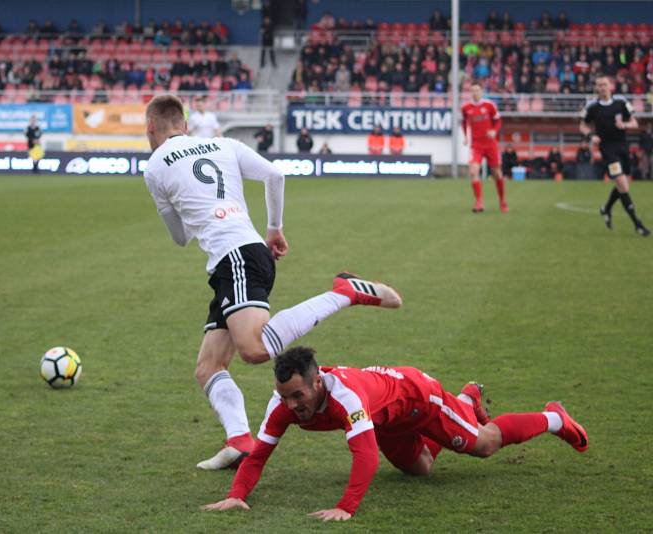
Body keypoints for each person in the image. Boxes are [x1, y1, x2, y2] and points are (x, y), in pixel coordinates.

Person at [143, 95, 403, 470]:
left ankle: (343, 293)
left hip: (235, 259)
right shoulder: (224, 144)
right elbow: (275, 175)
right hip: (242, 256)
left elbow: (180, 238)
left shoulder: (154, 167)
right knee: (209, 366)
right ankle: (239, 441)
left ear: (151, 128)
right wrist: (274, 228)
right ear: (185, 124)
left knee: (252, 348)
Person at [202, 346, 588, 521]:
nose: (291, 406)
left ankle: (553, 417)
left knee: (484, 444)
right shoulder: (281, 404)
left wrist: (345, 507)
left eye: (298, 395)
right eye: (285, 396)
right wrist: (237, 496)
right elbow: (259, 454)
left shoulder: (346, 397)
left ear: (318, 382)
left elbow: (365, 456)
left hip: (420, 398)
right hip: (385, 418)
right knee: (420, 469)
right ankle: (467, 399)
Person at [580, 75, 650, 236]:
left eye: (604, 84)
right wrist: (591, 136)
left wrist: (624, 124)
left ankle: (606, 209)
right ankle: (637, 224)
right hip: (607, 149)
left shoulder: (620, 102)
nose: (602, 88)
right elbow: (583, 126)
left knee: (623, 184)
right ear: (596, 88)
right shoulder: (592, 106)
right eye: (599, 85)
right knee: (623, 184)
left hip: (622, 148)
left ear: (610, 86)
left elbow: (635, 123)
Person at [462, 82, 508, 213]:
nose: (475, 93)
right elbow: (464, 122)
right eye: (472, 91)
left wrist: (494, 130)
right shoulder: (466, 107)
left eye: (477, 90)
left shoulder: (489, 105)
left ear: (482, 92)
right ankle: (479, 202)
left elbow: (498, 120)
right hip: (476, 145)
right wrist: (465, 136)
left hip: (490, 144)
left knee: (497, 174)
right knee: (473, 172)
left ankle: (502, 201)